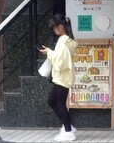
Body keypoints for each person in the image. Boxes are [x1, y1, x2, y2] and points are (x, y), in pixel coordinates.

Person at [39, 14, 78, 142]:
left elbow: (61, 61)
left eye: (54, 28)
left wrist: (49, 52)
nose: (54, 30)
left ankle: (68, 131)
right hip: (63, 76)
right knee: (52, 101)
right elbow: (63, 58)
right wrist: (51, 52)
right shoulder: (68, 40)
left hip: (62, 76)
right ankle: (68, 127)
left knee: (59, 103)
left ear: (60, 27)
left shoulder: (63, 41)